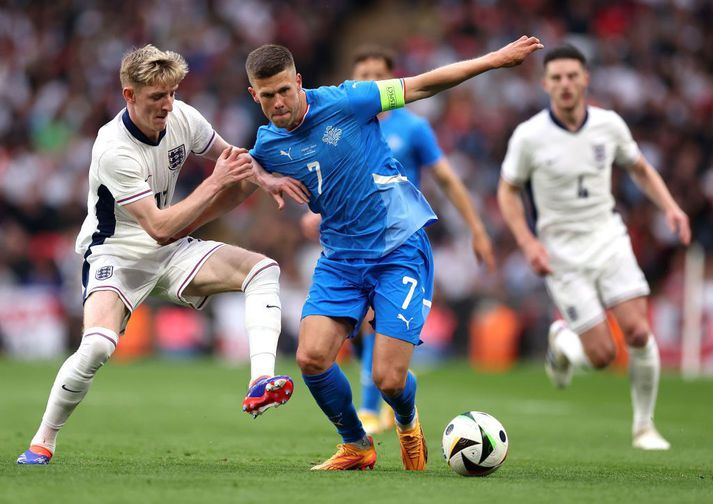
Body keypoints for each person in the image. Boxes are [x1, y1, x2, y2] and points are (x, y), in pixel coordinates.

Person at [245, 36, 543, 470]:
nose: (278, 102)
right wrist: (263, 178)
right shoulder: (268, 144)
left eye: (284, 90)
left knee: (388, 378)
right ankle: (356, 444)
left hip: (397, 249)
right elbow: (234, 161)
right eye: (267, 95)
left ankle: (407, 421)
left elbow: (422, 85)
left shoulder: (349, 100)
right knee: (310, 358)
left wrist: (495, 60)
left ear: (299, 82)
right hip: (341, 259)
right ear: (254, 95)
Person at [17, 44, 309, 465]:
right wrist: (214, 185)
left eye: (172, 93)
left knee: (263, 269)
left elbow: (232, 158)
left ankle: (260, 380)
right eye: (157, 97)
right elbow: (158, 227)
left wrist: (267, 180)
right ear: (129, 96)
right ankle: (43, 440)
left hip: (170, 251)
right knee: (98, 346)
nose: (167, 105)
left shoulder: (182, 117)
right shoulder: (113, 148)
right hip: (116, 255)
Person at [497, 44, 690, 451]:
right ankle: (563, 344)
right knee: (602, 356)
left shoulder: (609, 125)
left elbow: (639, 167)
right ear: (545, 83)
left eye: (572, 76)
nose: (565, 84)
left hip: (608, 238)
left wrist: (671, 207)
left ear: (585, 79)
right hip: (561, 254)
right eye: (557, 78)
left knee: (638, 330)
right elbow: (508, 191)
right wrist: (527, 241)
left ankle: (644, 427)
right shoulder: (529, 136)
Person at [300, 45, 496, 436]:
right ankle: (381, 402)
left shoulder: (413, 129)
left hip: (399, 245)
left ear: (390, 79)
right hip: (351, 249)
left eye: (378, 74)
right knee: (352, 339)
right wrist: (312, 212)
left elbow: (446, 179)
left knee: (379, 339)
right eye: (363, 74)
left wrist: (476, 227)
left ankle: (372, 408)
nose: (371, 82)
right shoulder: (341, 123)